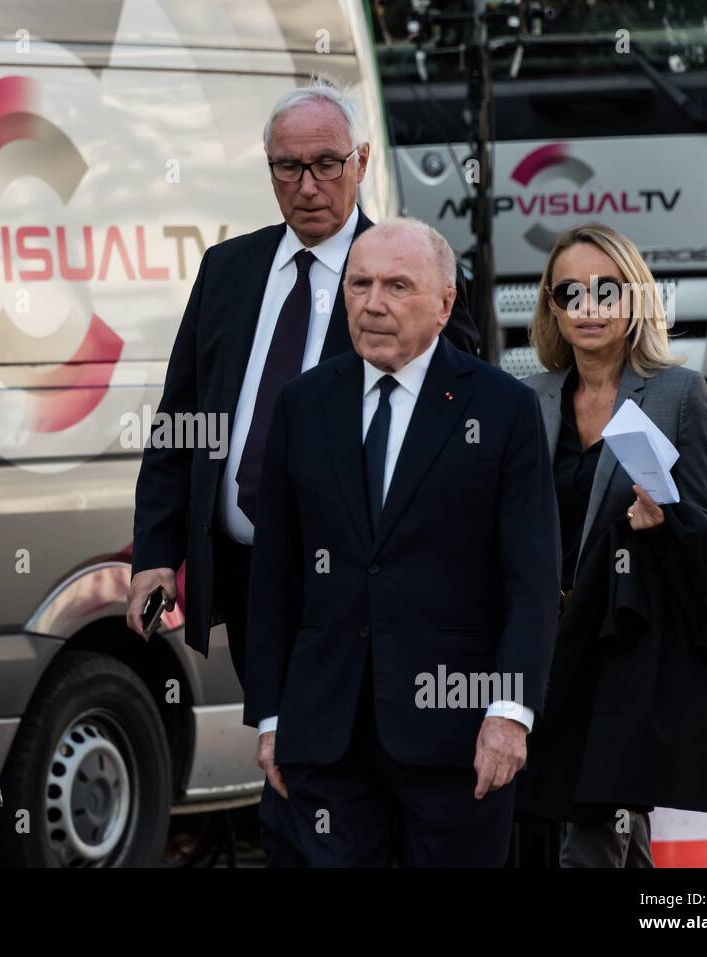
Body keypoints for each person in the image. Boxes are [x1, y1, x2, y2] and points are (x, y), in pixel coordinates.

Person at [125, 79, 479, 864]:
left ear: (360, 162)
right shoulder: (228, 269)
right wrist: (155, 549)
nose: (307, 185)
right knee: (283, 754)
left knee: (340, 766)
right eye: (288, 167)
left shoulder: (408, 270)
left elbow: (458, 427)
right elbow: (182, 418)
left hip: (355, 578)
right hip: (253, 573)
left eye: (325, 164)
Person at [243, 218, 560, 867]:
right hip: (326, 735)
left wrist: (509, 711)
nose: (373, 302)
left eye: (396, 285)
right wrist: (271, 715)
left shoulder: (502, 409)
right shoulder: (304, 403)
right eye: (359, 284)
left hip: (458, 738)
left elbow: (530, 575)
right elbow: (275, 571)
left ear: (445, 303)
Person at [514, 223, 707, 867]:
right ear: (552, 305)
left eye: (607, 289)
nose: (589, 306)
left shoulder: (676, 395)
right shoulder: (529, 398)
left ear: (635, 296)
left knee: (597, 826)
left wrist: (664, 526)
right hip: (539, 642)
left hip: (624, 640)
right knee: (546, 820)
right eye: (570, 292)